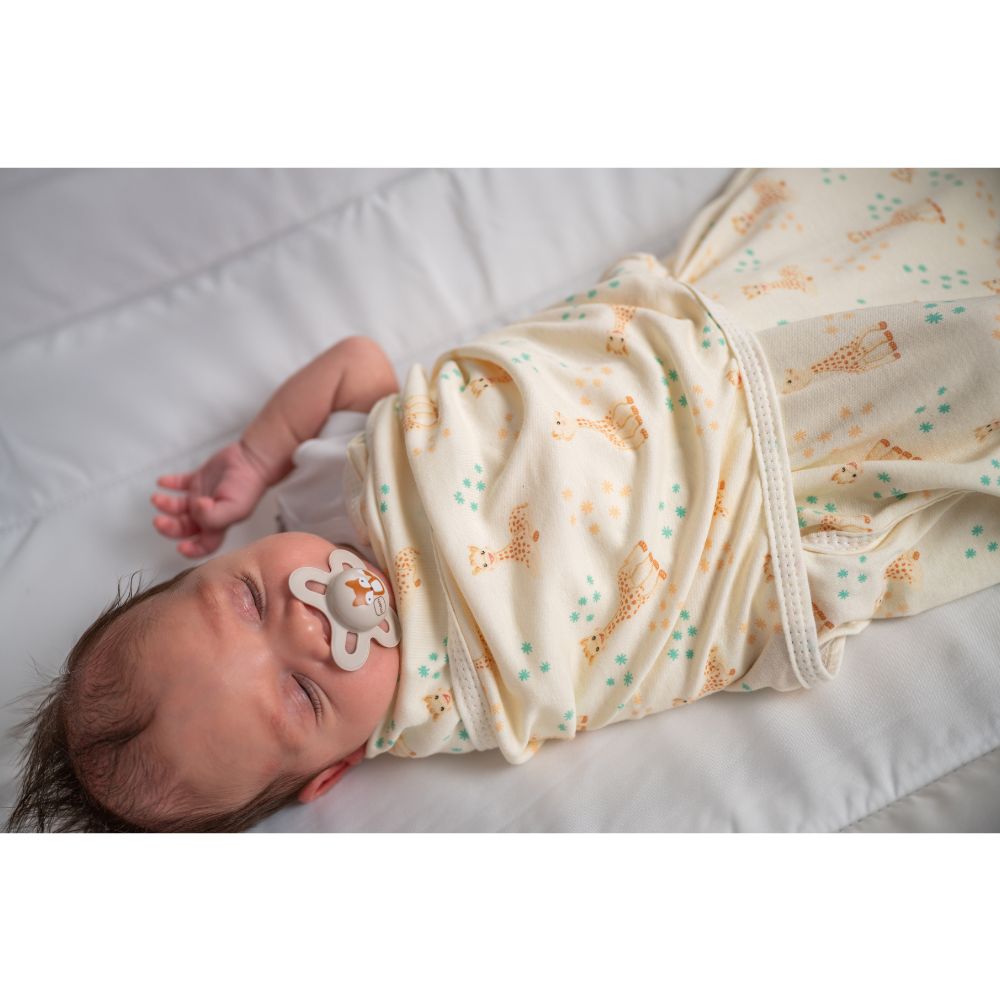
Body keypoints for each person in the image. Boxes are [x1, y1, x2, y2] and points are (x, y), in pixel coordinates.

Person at [7, 167, 1000, 833]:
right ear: (335, 769)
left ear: (220, 559)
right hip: (739, 516)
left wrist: (259, 452)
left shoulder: (315, 489)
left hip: (673, 365)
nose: (312, 626)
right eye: (304, 694)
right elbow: (601, 662)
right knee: (956, 368)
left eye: (252, 597)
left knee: (875, 221)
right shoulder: (446, 707)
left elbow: (357, 365)